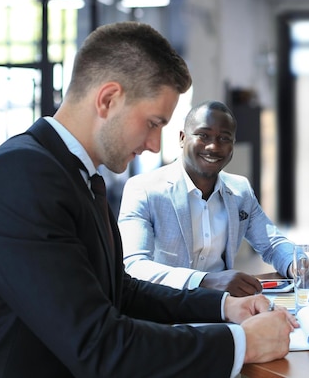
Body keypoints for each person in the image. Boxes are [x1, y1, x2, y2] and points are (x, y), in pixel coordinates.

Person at [0, 21, 297, 377]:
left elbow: (122, 292)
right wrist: (241, 344)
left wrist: (225, 307)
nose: (154, 145)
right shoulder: (23, 174)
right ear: (108, 99)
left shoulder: (78, 175)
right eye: (153, 123)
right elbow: (98, 344)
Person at [118, 100, 296, 297]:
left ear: (233, 145)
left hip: (224, 309)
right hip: (165, 313)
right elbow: (133, 266)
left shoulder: (240, 190)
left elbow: (272, 244)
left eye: (224, 138)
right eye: (203, 135)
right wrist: (205, 281)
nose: (213, 146)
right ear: (182, 138)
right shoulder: (143, 189)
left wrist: (298, 265)